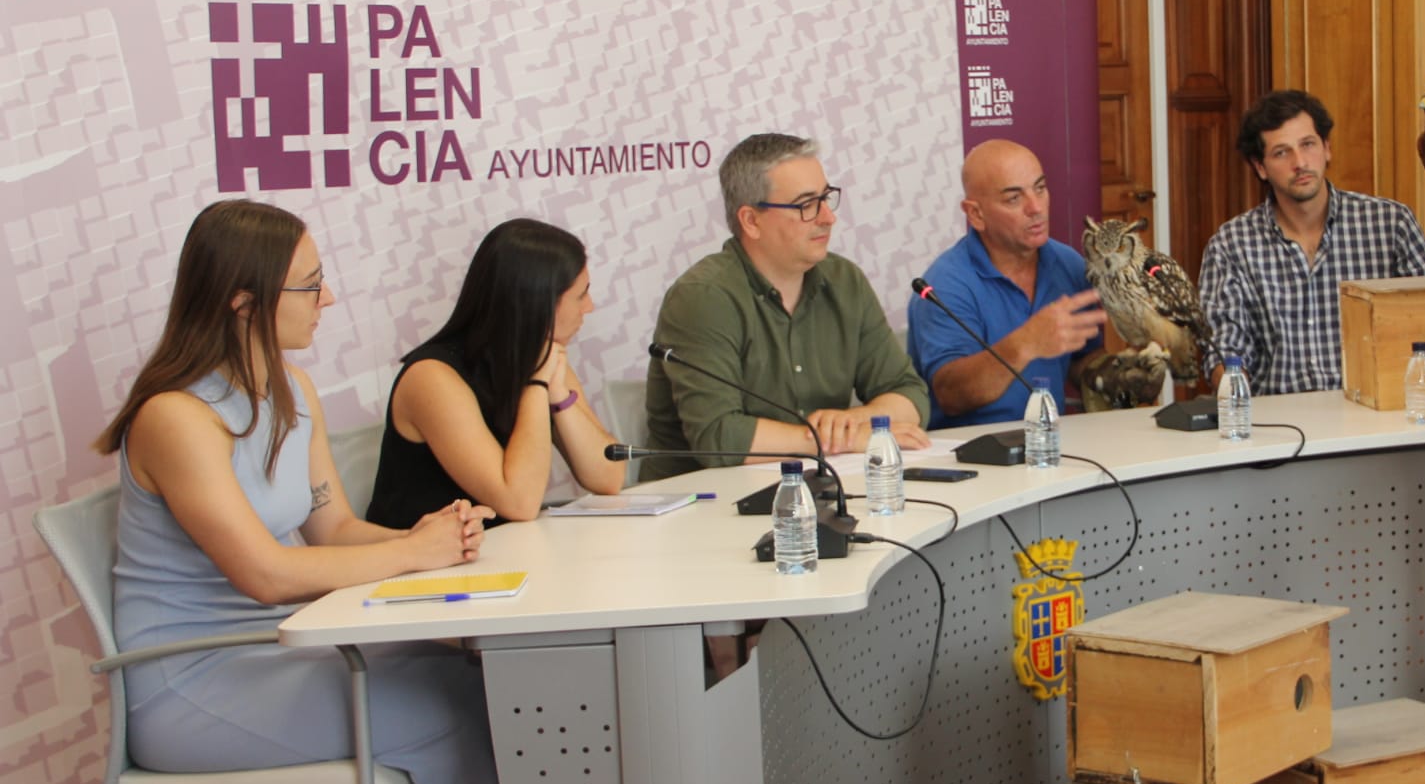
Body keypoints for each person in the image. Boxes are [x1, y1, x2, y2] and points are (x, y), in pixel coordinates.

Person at [95, 199, 573, 784]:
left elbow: (335, 531)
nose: (329, 300)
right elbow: (267, 572)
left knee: (473, 686)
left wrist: (430, 538)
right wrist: (413, 554)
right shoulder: (175, 416)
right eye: (310, 286)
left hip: (271, 654)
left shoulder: (291, 389)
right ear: (244, 301)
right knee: (435, 714)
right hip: (189, 681)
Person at [644, 132, 932, 475]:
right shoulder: (703, 297)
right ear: (751, 221)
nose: (828, 217)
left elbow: (910, 396)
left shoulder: (844, 281)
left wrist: (850, 423)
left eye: (826, 198)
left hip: (819, 491)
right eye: (806, 205)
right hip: (708, 504)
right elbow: (718, 437)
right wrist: (830, 440)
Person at [366, 218, 623, 528]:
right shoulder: (432, 378)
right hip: (423, 568)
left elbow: (608, 477)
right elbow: (519, 502)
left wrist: (558, 395)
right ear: (538, 303)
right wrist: (537, 384)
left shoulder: (542, 356)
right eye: (581, 295)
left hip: (496, 555)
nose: (590, 307)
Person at [1199, 89, 1425, 394]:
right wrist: (1236, 400)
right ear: (1260, 167)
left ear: (1327, 148)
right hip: (1280, 424)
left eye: (1307, 145)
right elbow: (1225, 348)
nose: (1300, 162)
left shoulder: (1392, 225)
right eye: (1281, 152)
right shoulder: (1231, 245)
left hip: (1374, 415)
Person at [908, 139, 1105, 427]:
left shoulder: (1069, 264)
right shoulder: (944, 285)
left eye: (1040, 188)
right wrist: (1027, 342)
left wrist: (1112, 373)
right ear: (976, 214)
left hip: (1050, 444)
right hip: (969, 455)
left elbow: (1081, 359)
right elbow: (951, 394)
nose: (1036, 207)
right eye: (1014, 198)